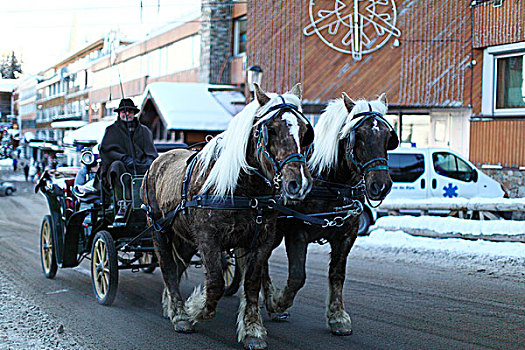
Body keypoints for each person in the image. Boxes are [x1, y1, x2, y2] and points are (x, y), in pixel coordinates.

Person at [99, 98, 158, 219]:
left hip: (140, 166)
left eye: (130, 111)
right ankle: (123, 203)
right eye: (124, 112)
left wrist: (148, 161)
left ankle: (152, 202)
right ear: (119, 114)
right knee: (117, 166)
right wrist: (124, 158)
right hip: (122, 167)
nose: (127, 114)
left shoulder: (144, 131)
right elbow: (106, 150)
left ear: (134, 113)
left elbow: (151, 151)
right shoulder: (111, 130)